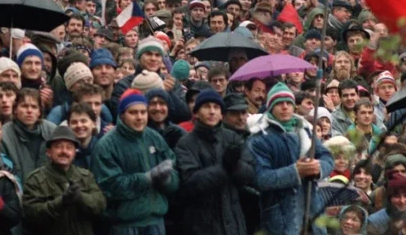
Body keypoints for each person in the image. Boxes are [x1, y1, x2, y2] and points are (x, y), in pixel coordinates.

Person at [247, 82, 334, 235]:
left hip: (312, 211)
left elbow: (327, 156)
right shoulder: (259, 138)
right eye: (279, 103)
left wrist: (317, 168)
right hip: (280, 217)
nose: (285, 107)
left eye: (288, 103)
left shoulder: (305, 129)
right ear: (270, 107)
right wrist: (295, 172)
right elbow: (261, 179)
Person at [93, 89, 179, 234]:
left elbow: (174, 170)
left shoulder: (155, 137)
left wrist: (168, 180)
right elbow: (109, 185)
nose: (139, 117)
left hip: (156, 221)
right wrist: (146, 179)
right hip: (124, 225)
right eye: (133, 113)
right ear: (122, 115)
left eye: (143, 112)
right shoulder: (107, 145)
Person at [174, 89, 255, 235]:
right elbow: (191, 183)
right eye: (206, 107)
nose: (212, 111)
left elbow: (249, 174)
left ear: (221, 113)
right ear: (196, 112)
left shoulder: (232, 137)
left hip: (234, 221)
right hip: (202, 224)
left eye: (216, 107)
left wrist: (236, 167)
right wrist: (224, 168)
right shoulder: (186, 143)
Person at [22, 124, 106, 235]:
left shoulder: (86, 176)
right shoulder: (35, 179)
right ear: (48, 152)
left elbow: (100, 205)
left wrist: (80, 197)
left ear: (75, 153)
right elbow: (32, 215)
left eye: (69, 147)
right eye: (58, 146)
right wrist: (61, 202)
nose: (64, 151)